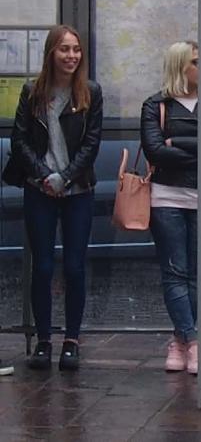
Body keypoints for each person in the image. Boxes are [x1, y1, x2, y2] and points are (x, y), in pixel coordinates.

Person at [2, 25, 102, 371]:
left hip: (78, 191)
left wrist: (66, 176)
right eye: (64, 49)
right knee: (42, 267)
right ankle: (43, 341)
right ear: (51, 53)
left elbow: (92, 144)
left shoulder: (90, 92)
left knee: (74, 267)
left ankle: (71, 340)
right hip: (39, 189)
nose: (71, 56)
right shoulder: (32, 92)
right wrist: (46, 176)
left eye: (76, 49)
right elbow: (20, 141)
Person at [140, 41, 201, 375]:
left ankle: (180, 340)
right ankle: (194, 342)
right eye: (196, 61)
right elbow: (154, 151)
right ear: (180, 66)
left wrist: (175, 141)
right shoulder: (156, 105)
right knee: (175, 271)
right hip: (166, 197)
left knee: (199, 272)